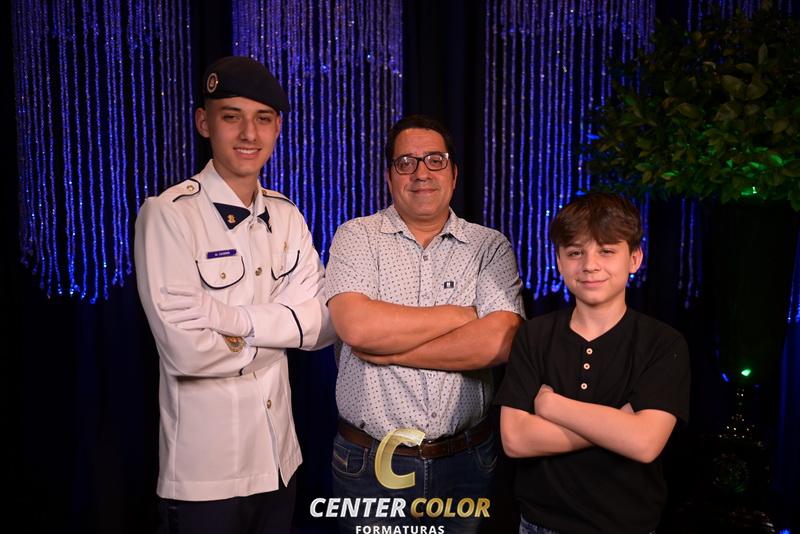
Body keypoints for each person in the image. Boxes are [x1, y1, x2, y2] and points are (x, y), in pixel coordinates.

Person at [134, 56, 335, 534]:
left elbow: (325, 324)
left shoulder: (287, 216)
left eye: (263, 119)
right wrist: (285, 332)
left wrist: (231, 320)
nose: (249, 133)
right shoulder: (169, 215)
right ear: (204, 123)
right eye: (232, 117)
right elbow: (187, 352)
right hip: (206, 476)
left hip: (281, 462)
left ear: (277, 128)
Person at [325, 114, 525, 532]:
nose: (421, 173)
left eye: (435, 160)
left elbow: (499, 341)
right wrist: (461, 315)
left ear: (453, 173)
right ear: (389, 177)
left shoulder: (489, 246)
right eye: (406, 163)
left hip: (466, 463)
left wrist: (388, 350)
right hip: (371, 464)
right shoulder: (356, 237)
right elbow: (357, 328)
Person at [494, 192, 690, 534]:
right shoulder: (534, 335)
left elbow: (644, 443)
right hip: (539, 524)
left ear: (634, 259)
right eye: (575, 252)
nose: (590, 265)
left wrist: (552, 406)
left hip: (627, 527)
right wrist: (618, 425)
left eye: (606, 251)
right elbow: (516, 440)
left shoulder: (662, 343)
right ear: (559, 261)